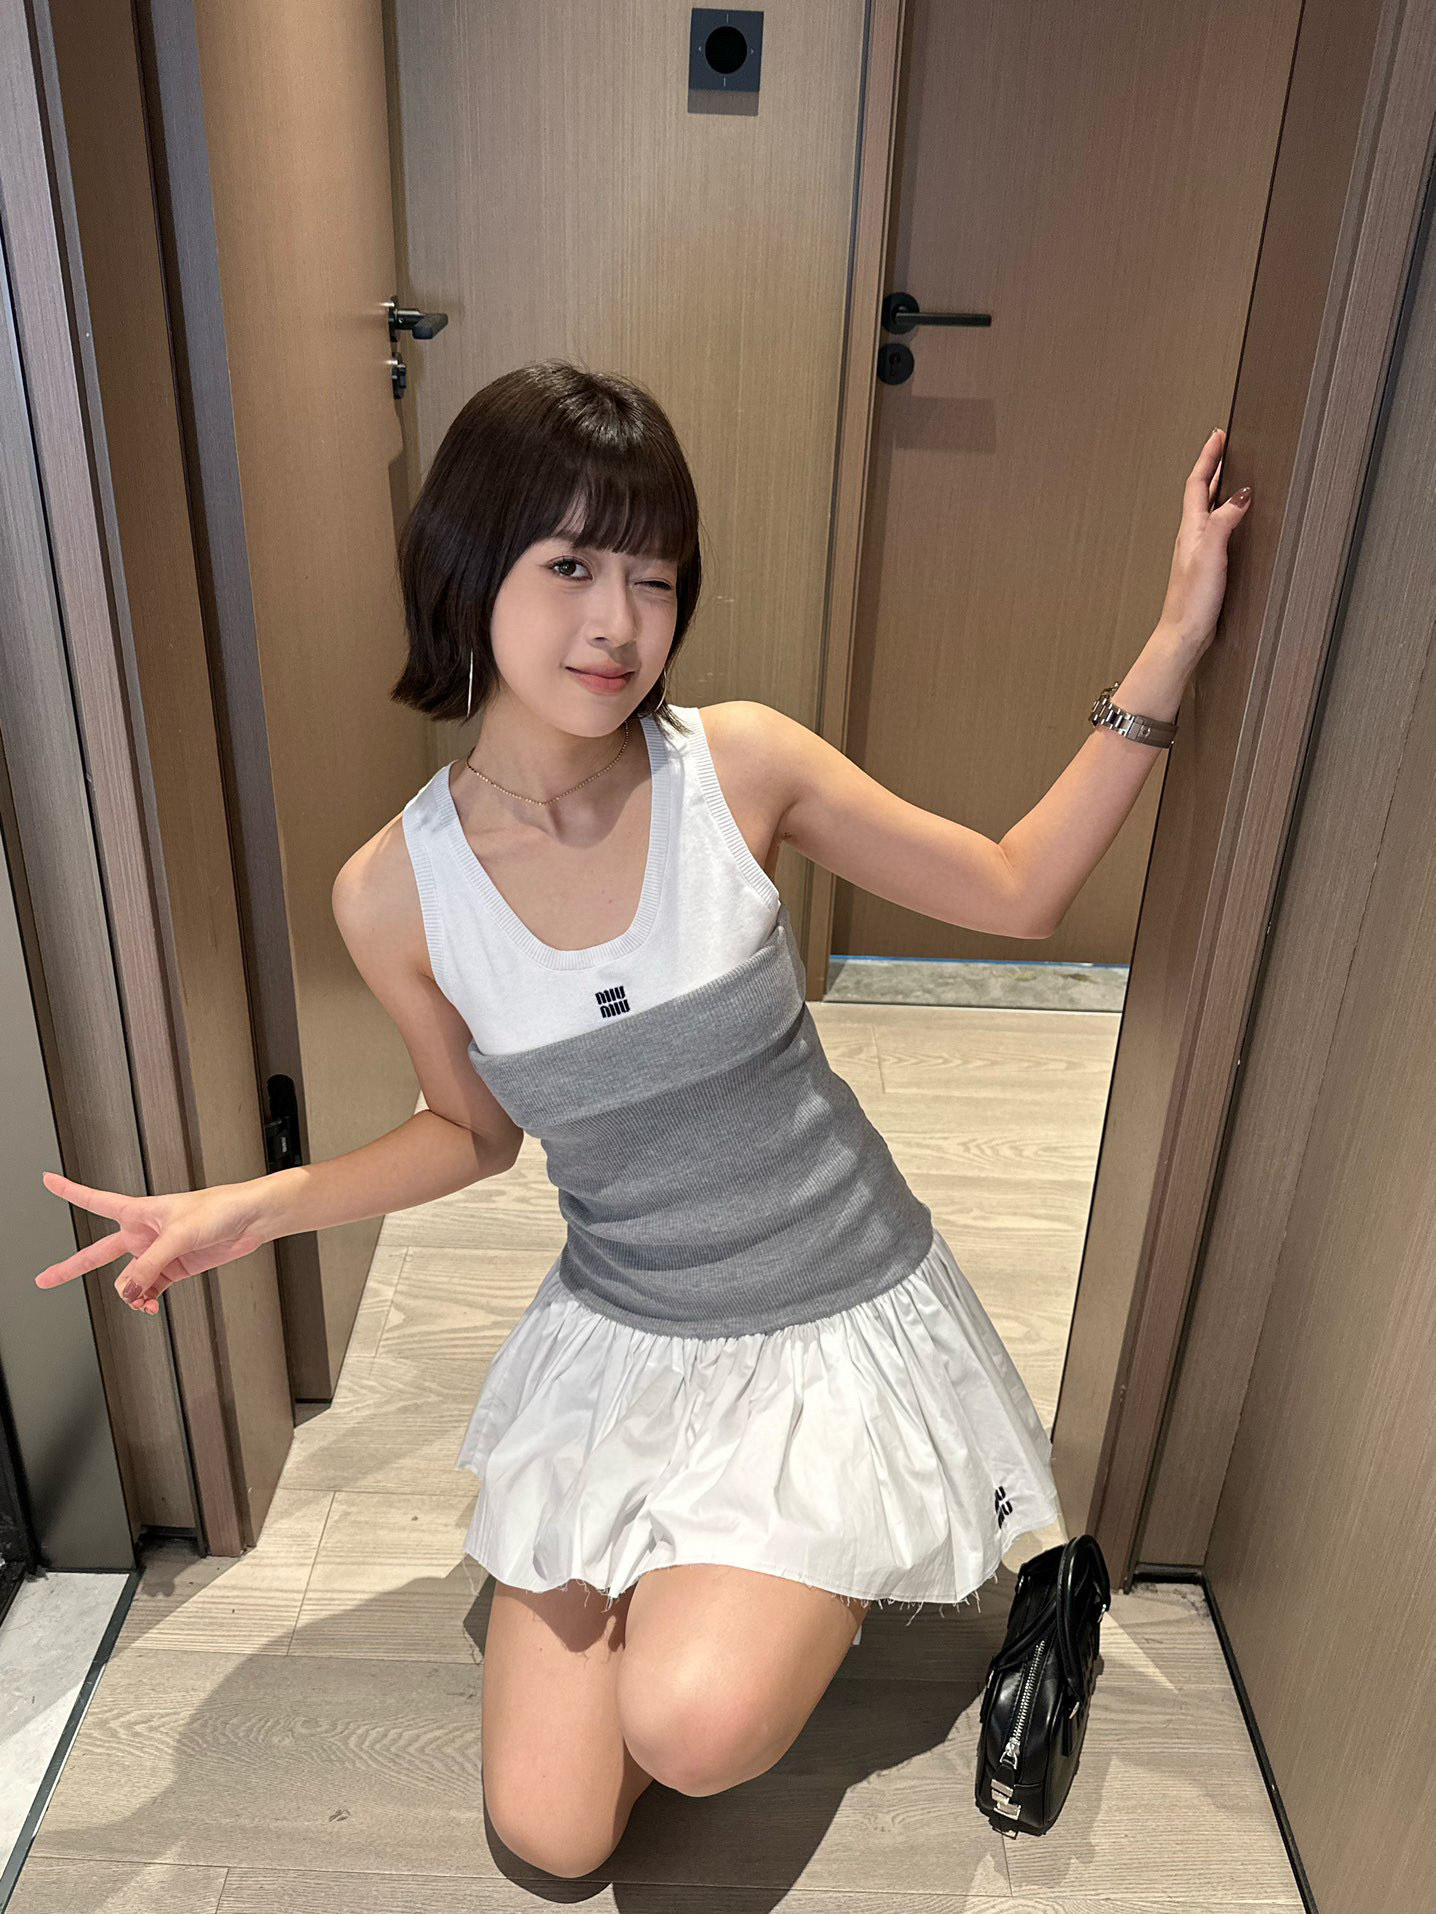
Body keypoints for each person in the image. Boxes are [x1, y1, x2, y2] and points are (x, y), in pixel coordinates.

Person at [34, 360, 1250, 1877]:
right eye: (569, 567)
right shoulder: (393, 893)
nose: (617, 621)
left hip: (826, 1323)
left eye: (653, 577)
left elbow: (1018, 887)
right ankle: (708, 1558)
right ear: (470, 570)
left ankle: (881, 1547)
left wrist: (1174, 637)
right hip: (628, 1333)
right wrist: (253, 1204)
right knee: (551, 1834)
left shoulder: (740, 767)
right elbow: (473, 1133)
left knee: (689, 1727)